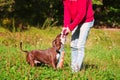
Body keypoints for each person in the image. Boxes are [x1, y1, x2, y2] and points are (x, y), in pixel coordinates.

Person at [57, 0, 94, 72]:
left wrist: (70, 27)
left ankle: (76, 70)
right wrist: (65, 26)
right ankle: (73, 68)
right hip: (76, 21)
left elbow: (82, 13)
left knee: (80, 45)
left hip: (86, 20)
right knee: (73, 44)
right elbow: (67, 13)